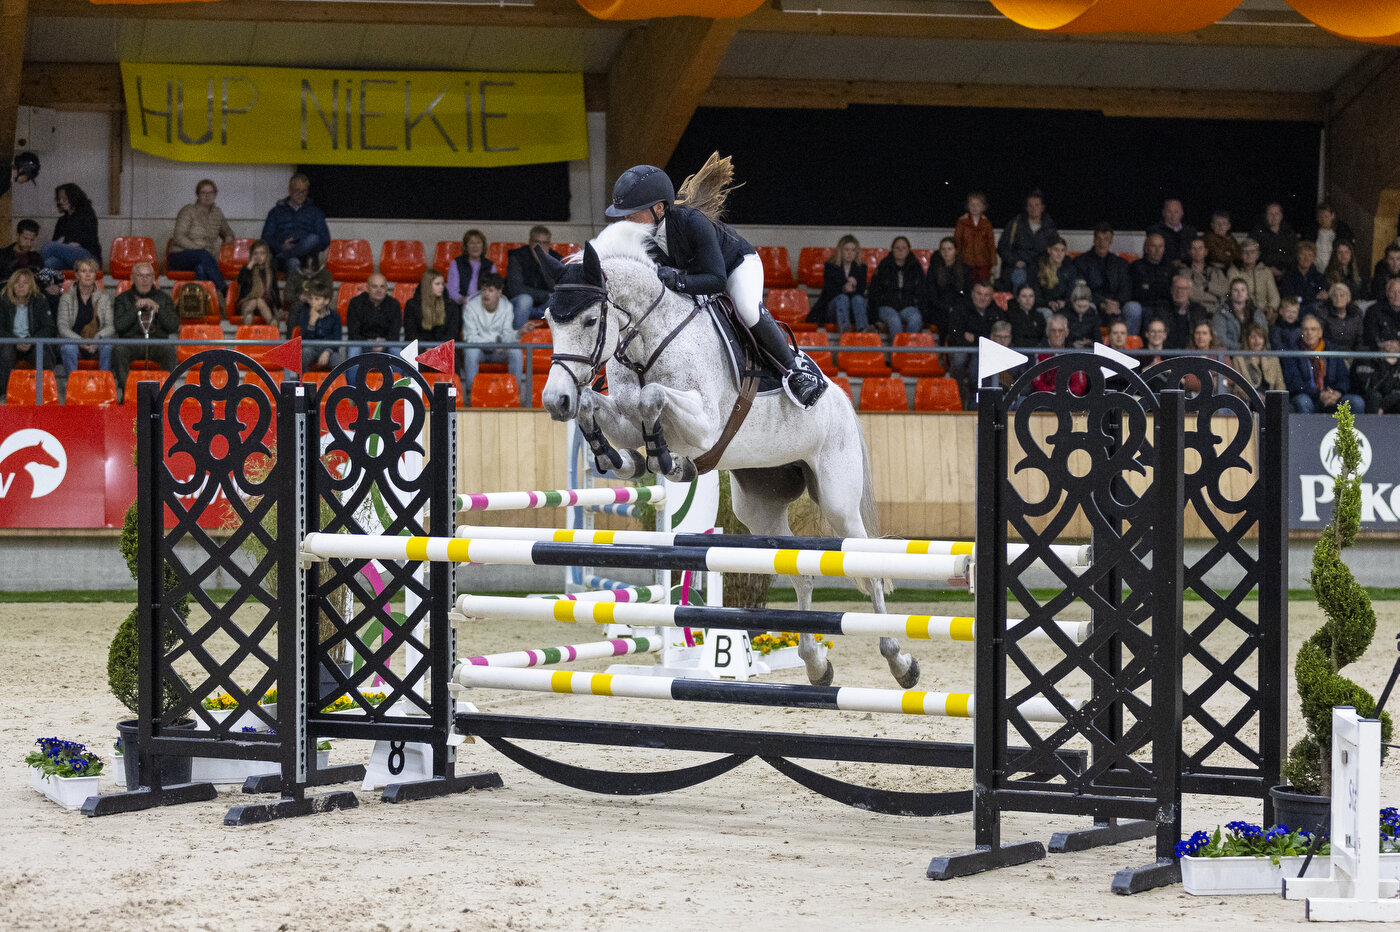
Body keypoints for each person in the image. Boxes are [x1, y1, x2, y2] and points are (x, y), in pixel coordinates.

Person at [606, 160, 826, 407]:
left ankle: (795, 370)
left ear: (658, 208)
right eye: (624, 217)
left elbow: (716, 280)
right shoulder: (641, 239)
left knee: (746, 308)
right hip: (694, 278)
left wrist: (677, 279)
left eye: (632, 216)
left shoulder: (692, 221)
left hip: (734, 267)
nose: (626, 222)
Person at [261, 172, 330, 297]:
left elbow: (324, 240)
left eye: (304, 191)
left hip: (308, 257)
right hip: (282, 258)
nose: (301, 195)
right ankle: (294, 302)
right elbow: (265, 238)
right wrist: (281, 246)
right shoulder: (276, 212)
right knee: (292, 261)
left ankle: (289, 254)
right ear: (290, 190)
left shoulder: (315, 212)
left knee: (313, 239)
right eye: (297, 191)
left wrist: (302, 247)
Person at [112, 262, 177, 392]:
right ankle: (127, 392)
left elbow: (173, 326)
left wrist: (158, 309)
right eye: (140, 276)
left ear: (153, 278)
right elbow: (119, 326)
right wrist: (135, 308)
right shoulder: (122, 299)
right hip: (132, 342)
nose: (145, 280)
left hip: (156, 342)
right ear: (133, 278)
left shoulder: (164, 298)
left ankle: (164, 391)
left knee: (169, 350)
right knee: (118, 350)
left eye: (148, 276)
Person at [1282, 313, 1363, 414]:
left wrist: (1338, 392)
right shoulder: (1294, 351)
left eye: (1313, 329)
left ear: (1320, 332)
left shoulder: (1331, 350)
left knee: (1356, 402)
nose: (1309, 333)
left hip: (1332, 396)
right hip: (1309, 397)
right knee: (1303, 401)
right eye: (1306, 329)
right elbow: (1294, 383)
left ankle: (1346, 430)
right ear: (1301, 332)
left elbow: (1343, 377)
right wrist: (1319, 395)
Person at [169, 178, 234, 294]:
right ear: (197, 195)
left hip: (205, 260)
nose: (207, 196)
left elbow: (227, 231)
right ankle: (224, 290)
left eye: (210, 193)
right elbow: (178, 236)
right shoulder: (188, 211)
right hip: (180, 256)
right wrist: (199, 250)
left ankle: (203, 304)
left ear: (215, 194)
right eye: (203, 193)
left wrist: (229, 236)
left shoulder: (217, 213)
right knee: (202, 255)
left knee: (202, 269)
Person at [0, 269, 57, 398]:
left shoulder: (40, 300)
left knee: (42, 352)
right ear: (11, 285)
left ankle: (46, 391)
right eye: (17, 283)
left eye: (25, 283)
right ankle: (4, 393)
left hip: (32, 342)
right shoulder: (3, 301)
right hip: (11, 343)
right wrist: (15, 341)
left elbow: (49, 327)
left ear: (31, 286)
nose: (20, 286)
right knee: (5, 351)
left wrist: (31, 340)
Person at [462, 272, 522, 394]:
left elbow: (507, 334)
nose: (486, 294)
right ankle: (471, 392)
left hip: (498, 352)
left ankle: (514, 392)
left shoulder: (507, 306)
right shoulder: (470, 306)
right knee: (470, 351)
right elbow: (470, 337)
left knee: (516, 352)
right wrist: (496, 342)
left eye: (491, 290)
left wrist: (518, 333)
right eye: (484, 290)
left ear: (499, 293)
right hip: (479, 350)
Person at [945, 280, 1002, 408]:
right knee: (959, 359)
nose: (982, 298)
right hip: (965, 349)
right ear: (972, 294)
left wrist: (975, 337)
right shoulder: (959, 310)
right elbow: (955, 336)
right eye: (979, 293)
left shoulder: (997, 313)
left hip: (987, 352)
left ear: (991, 297)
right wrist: (982, 338)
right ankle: (957, 395)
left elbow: (1000, 337)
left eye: (986, 295)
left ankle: (975, 401)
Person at [1074, 222, 1135, 334]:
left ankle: (1126, 345)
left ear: (1111, 241)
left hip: (1116, 304)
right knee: (1086, 305)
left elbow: (1126, 287)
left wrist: (1118, 303)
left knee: (1133, 308)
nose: (1102, 243)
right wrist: (1101, 303)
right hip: (1093, 301)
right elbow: (1081, 289)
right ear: (1094, 240)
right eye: (1099, 239)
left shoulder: (1121, 263)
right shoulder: (1081, 262)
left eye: (1106, 239)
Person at [56, 257, 113, 374]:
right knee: (68, 348)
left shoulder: (104, 298)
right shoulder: (66, 298)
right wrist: (80, 341)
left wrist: (97, 339)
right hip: (74, 342)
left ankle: (103, 383)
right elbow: (62, 327)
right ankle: (73, 385)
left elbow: (110, 326)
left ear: (95, 275)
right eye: (83, 271)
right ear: (77, 275)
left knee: (107, 346)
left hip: (97, 342)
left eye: (91, 271)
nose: (88, 275)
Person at [997, 189, 1057, 292]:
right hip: (1019, 268)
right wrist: (1015, 261)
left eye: (1037, 205)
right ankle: (1020, 306)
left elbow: (1056, 249)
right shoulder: (1015, 224)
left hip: (1040, 268)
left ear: (1042, 208)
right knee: (1020, 278)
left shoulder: (1050, 227)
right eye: (1030, 206)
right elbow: (1002, 248)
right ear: (1026, 208)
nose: (1034, 209)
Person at [505, 225, 561, 330]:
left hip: (543, 308)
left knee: (558, 299)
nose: (541, 247)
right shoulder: (517, 257)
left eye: (545, 243)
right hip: (518, 306)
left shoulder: (555, 258)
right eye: (537, 242)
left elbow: (556, 288)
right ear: (530, 242)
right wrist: (544, 295)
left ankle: (556, 342)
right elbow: (516, 289)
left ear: (549, 244)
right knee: (525, 300)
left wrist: (544, 263)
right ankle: (518, 342)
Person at [868, 236, 925, 336]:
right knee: (894, 319)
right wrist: (874, 319)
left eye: (903, 248)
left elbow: (922, 293)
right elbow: (874, 292)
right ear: (892, 249)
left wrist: (926, 321)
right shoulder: (884, 266)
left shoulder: (915, 267)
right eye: (897, 248)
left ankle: (908, 350)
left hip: (908, 306)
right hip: (886, 307)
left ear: (908, 250)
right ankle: (898, 350)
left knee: (916, 318)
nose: (900, 251)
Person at [812, 234, 869, 333]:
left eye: (853, 250)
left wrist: (855, 287)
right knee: (842, 298)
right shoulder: (830, 266)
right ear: (840, 251)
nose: (850, 253)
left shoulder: (861, 267)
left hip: (853, 311)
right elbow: (829, 291)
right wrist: (844, 289)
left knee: (858, 299)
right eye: (846, 250)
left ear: (856, 252)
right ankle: (845, 332)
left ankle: (863, 331)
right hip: (833, 309)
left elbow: (861, 291)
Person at [41, 183, 101, 271]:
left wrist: (67, 243)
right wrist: (64, 244)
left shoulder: (87, 213)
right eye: (59, 199)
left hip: (88, 256)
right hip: (68, 258)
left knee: (49, 247)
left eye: (64, 198)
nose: (61, 201)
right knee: (49, 263)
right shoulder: (62, 220)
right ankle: (45, 281)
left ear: (74, 197)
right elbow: (56, 241)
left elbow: (90, 239)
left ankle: (33, 276)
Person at [1126, 233, 1174, 334]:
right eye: (1153, 246)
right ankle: (1131, 347)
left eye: (1160, 246)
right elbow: (1136, 293)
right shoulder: (1136, 266)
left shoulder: (1170, 268)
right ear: (1146, 248)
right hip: (1142, 305)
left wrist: (1149, 287)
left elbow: (1169, 293)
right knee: (1133, 308)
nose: (1157, 250)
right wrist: (1158, 288)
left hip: (1162, 307)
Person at [923, 236, 969, 334]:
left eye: (949, 249)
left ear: (955, 251)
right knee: (945, 320)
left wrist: (955, 308)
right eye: (943, 249)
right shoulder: (934, 269)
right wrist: (946, 308)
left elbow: (967, 292)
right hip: (939, 309)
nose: (946, 252)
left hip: (959, 308)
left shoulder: (965, 269)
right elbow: (931, 294)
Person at [346, 273, 401, 355]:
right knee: (354, 350)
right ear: (367, 288)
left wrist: (383, 342)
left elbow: (395, 334)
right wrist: (370, 343)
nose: (379, 290)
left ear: (386, 289)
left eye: (382, 286)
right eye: (374, 286)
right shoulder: (355, 303)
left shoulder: (394, 304)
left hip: (386, 344)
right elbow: (353, 334)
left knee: (396, 350)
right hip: (362, 344)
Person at [403, 269, 463, 344]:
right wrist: (425, 348)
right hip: (420, 348)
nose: (441, 287)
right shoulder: (412, 305)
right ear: (427, 286)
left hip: (444, 350)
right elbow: (411, 332)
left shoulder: (451, 305)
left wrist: (437, 349)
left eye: (442, 284)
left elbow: (452, 332)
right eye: (437, 284)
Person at [1032, 313, 1086, 396]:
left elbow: (1080, 384)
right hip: (1046, 400)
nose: (1057, 335)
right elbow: (1037, 383)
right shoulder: (1039, 353)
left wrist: (1064, 394)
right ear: (1047, 332)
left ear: (1066, 332)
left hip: (1070, 399)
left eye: (1060, 331)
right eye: (1053, 331)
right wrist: (1054, 394)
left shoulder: (1074, 353)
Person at [1153, 273, 1209, 349]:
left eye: (1184, 288)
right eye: (1177, 288)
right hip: (1167, 351)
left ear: (1190, 291)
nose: (1179, 291)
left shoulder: (1199, 310)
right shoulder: (1162, 309)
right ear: (1171, 290)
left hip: (1191, 351)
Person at [1226, 238, 1280, 316]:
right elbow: (1233, 295)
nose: (1249, 255)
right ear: (1241, 255)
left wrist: (1271, 308)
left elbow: (1274, 296)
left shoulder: (1265, 271)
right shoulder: (1234, 271)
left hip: (1264, 312)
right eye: (1245, 252)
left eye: (1252, 252)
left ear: (1257, 255)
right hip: (1243, 312)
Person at [295, 280, 341, 370]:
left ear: (326, 301)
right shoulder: (305, 314)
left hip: (329, 348)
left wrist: (327, 351)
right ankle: (302, 383)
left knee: (338, 360)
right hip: (311, 347)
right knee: (305, 353)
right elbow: (304, 339)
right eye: (311, 299)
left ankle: (340, 384)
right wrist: (311, 323)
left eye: (317, 299)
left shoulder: (334, 316)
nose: (313, 302)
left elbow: (337, 339)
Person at [1212, 278, 1267, 352]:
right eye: (1235, 290)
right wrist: (1242, 347)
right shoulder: (1221, 313)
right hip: (1231, 354)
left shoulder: (1257, 312)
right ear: (1230, 294)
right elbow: (1221, 339)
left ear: (1247, 294)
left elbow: (1264, 335)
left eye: (1243, 290)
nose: (1239, 293)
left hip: (1255, 353)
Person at [1232, 322, 1286, 396]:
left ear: (1264, 340)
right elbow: (1238, 388)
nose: (1257, 341)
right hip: (1250, 402)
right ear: (1247, 339)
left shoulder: (1273, 359)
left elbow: (1280, 385)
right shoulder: (1238, 359)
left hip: (1271, 401)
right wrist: (1256, 397)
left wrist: (1274, 399)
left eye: (1260, 337)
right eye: (1253, 337)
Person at [235, 240, 281, 327]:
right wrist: (250, 265)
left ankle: (272, 325)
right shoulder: (247, 268)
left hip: (266, 303)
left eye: (262, 253)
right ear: (252, 255)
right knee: (254, 301)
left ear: (266, 255)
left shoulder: (271, 270)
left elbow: (275, 290)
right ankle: (249, 319)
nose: (259, 256)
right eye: (256, 253)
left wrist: (279, 307)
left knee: (259, 301)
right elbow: (241, 282)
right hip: (247, 301)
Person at [954, 191, 996, 284]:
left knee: (983, 286)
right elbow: (957, 241)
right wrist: (957, 259)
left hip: (983, 263)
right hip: (966, 262)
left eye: (978, 205)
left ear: (983, 207)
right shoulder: (962, 222)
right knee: (967, 285)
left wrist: (993, 263)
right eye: (972, 205)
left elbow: (991, 244)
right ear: (968, 206)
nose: (975, 207)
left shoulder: (986, 223)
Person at [1278, 240, 1329, 313]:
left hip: (1314, 313)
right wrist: (1314, 297)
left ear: (1313, 258)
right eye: (1303, 254)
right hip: (1294, 313)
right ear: (1298, 256)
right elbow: (1290, 299)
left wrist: (1302, 298)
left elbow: (1323, 297)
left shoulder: (1319, 277)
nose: (1306, 258)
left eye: (1310, 255)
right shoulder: (1288, 276)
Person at [1252, 202, 1298, 279]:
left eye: (1276, 214)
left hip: (1288, 272)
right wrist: (1268, 268)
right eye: (1270, 214)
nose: (1274, 217)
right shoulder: (1257, 233)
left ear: (1281, 216)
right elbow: (1255, 254)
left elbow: (1295, 254)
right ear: (1266, 216)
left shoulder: (1289, 233)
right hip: (1265, 271)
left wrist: (1284, 272)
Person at [448, 229, 494, 305]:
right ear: (466, 246)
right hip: (463, 303)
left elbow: (493, 290)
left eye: (478, 243)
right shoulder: (456, 263)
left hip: (484, 304)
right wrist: (464, 301)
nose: (475, 246)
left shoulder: (490, 265)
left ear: (483, 246)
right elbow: (452, 291)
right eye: (471, 243)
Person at [1303, 201, 1353, 272]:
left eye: (1326, 216)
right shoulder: (1312, 232)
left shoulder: (1340, 232)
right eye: (1320, 217)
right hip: (1316, 268)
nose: (1323, 220)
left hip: (1335, 269)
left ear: (1332, 216)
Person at [1146, 198, 1197, 264]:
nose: (1173, 215)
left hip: (1187, 266)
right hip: (1163, 267)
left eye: (1176, 212)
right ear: (1163, 213)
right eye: (1169, 212)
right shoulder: (1155, 230)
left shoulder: (1190, 231)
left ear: (1182, 213)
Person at [1357, 336, 1400, 414]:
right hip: (1369, 396)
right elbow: (1370, 387)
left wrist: (1384, 406)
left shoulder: (1398, 363)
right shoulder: (1370, 358)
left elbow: (1396, 390)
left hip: (1389, 401)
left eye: (1396, 342)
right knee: (1374, 397)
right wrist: (1385, 364)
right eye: (1388, 341)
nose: (1392, 345)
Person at [1035, 237, 1077, 316]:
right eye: (1056, 250)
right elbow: (1036, 294)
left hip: (1063, 306)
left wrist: (1064, 302)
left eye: (1062, 250)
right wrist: (1048, 303)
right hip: (1043, 306)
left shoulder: (1069, 268)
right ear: (1049, 250)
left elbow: (1071, 292)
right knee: (1048, 314)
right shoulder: (1039, 268)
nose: (1059, 254)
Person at [1184, 235, 1229, 308]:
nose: (1197, 252)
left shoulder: (1217, 271)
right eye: (1194, 249)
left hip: (1218, 310)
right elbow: (1191, 295)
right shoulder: (1184, 272)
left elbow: (1226, 291)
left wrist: (1207, 286)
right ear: (1190, 252)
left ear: (1205, 252)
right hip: (1197, 309)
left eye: (1200, 248)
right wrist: (1215, 297)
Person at [1322, 282, 1363, 353]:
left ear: (1348, 298)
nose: (1338, 298)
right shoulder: (1324, 314)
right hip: (1330, 355)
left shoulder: (1356, 314)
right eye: (1335, 296)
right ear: (1331, 298)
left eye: (1342, 295)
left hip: (1352, 355)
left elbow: (1360, 339)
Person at [1364, 278, 1400, 351]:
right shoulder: (1373, 311)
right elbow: (1370, 337)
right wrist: (1385, 345)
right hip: (1381, 353)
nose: (1397, 295)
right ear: (1387, 293)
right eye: (1393, 291)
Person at [1005, 284, 1045, 348]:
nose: (1028, 299)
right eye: (1024, 296)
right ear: (1018, 299)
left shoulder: (1039, 316)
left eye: (1031, 296)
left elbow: (1042, 336)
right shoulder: (1009, 316)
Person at [1063, 283, 1101, 349]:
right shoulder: (1065, 315)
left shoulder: (1094, 316)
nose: (1082, 309)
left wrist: (1090, 343)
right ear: (1072, 302)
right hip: (1068, 349)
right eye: (1079, 306)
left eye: (1085, 306)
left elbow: (1098, 339)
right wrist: (1072, 344)